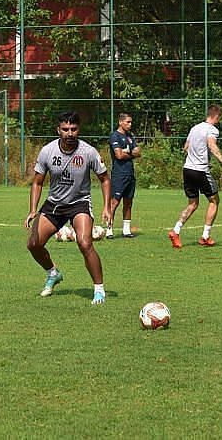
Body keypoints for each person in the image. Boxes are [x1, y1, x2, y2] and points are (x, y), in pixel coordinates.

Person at [25, 111, 112, 305]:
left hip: (79, 202)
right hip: (54, 204)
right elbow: (37, 182)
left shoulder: (88, 152)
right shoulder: (47, 151)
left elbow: (105, 179)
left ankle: (99, 289)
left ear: (78, 130)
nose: (69, 133)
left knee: (84, 242)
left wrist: (107, 207)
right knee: (33, 244)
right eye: (65, 129)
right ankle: (53, 273)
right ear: (58, 130)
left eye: (73, 129)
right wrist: (33, 209)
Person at [168, 104, 222, 248]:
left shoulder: (195, 128)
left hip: (188, 169)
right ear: (216, 116)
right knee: (214, 200)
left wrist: (197, 156)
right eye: (219, 118)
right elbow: (212, 145)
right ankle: (205, 236)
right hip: (200, 171)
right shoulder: (212, 130)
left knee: (193, 204)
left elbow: (186, 147)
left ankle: (176, 230)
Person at [106, 112, 141, 239]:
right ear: (121, 122)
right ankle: (109, 229)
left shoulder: (130, 136)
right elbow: (119, 155)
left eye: (131, 122)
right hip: (119, 174)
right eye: (128, 122)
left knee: (128, 202)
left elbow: (138, 152)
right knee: (114, 202)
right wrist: (131, 153)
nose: (130, 124)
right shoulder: (114, 136)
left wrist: (129, 152)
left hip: (130, 174)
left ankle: (126, 230)